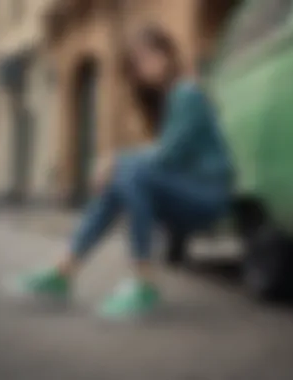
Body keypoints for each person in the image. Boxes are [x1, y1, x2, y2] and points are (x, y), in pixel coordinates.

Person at [15, 25, 234, 320]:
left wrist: (114, 160)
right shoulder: (170, 99)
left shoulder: (187, 93)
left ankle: (143, 281)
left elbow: (167, 155)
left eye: (148, 57)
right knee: (123, 178)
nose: (143, 68)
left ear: (167, 54)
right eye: (136, 64)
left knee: (130, 172)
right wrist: (119, 163)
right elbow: (164, 157)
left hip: (208, 195)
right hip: (185, 190)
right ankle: (63, 271)